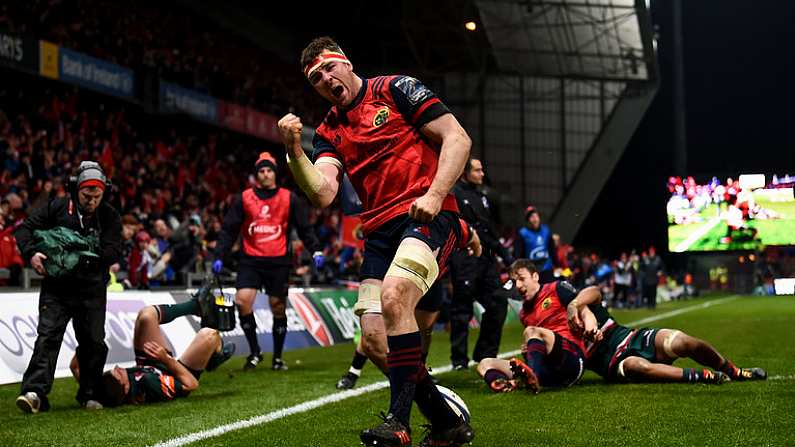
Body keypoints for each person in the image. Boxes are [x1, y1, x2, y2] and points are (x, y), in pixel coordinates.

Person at [279, 36, 475, 446]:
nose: (325, 79)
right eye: (316, 78)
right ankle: (445, 422)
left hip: (427, 215)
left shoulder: (395, 88)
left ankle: (397, 422)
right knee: (372, 340)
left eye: (329, 68)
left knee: (395, 296)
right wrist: (294, 150)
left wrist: (436, 195)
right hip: (380, 234)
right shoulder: (329, 130)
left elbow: (457, 138)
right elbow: (323, 192)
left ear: (346, 62)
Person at [14, 161, 122, 413]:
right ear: (76, 190)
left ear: (104, 192)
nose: (92, 201)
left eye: (97, 196)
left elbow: (113, 251)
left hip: (92, 291)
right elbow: (24, 230)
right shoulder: (57, 207)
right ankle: (35, 393)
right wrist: (32, 253)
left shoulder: (110, 216)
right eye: (86, 195)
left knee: (94, 342)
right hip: (57, 289)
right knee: (48, 338)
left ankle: (89, 394)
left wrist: (84, 254)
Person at [213, 151, 323, 371]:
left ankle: (278, 358)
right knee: (243, 301)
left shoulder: (289, 198)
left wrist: (316, 250)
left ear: (274, 174)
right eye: (261, 171)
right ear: (256, 175)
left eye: (268, 170)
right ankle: (255, 352)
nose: (265, 174)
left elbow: (304, 228)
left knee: (278, 307)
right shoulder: (244, 198)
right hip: (250, 260)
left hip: (279, 261)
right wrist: (218, 255)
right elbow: (228, 230)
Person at [566, 287, 767, 384]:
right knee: (636, 365)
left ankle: (734, 371)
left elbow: (595, 291)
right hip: (615, 363)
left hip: (633, 338)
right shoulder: (561, 338)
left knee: (683, 342)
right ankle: (704, 376)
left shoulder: (580, 307)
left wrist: (574, 304)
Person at [71, 300, 235, 406]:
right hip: (177, 372)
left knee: (146, 316)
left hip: (150, 363)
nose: (119, 367)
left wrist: (91, 341)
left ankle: (194, 306)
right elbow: (191, 385)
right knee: (209, 334)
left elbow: (75, 367)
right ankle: (214, 354)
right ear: (126, 388)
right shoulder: (149, 384)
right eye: (119, 373)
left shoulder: (103, 388)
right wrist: (166, 359)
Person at [476, 259, 588, 394]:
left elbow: (584, 308)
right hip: (549, 372)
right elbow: (536, 346)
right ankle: (507, 384)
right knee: (484, 364)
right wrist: (528, 351)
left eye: (522, 279)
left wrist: (590, 325)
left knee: (532, 331)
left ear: (535, 276)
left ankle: (531, 377)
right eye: (515, 281)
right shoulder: (524, 313)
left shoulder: (556, 288)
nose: (518, 285)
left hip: (573, 361)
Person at [449, 158, 511, 370]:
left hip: (487, 261)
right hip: (464, 259)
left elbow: (489, 232)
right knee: (461, 311)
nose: (482, 174)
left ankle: (485, 354)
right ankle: (459, 360)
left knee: (499, 302)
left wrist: (506, 256)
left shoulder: (483, 197)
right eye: (478, 170)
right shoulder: (454, 194)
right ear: (465, 173)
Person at [514, 205, 556, 283]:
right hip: (531, 270)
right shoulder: (523, 233)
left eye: (536, 216)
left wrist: (557, 265)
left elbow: (552, 249)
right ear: (528, 220)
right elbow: (518, 254)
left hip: (547, 269)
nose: (535, 219)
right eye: (532, 217)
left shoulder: (546, 230)